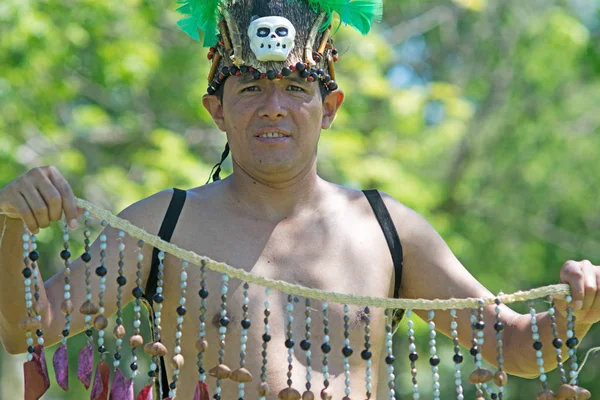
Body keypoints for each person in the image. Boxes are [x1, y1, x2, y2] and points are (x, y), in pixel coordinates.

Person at [1, 1, 599, 399]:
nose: (274, 108)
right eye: (252, 88)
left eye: (295, 88)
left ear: (329, 109)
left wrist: (578, 312)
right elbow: (25, 328)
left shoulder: (389, 229)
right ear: (217, 110)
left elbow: (515, 347)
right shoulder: (163, 224)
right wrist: (11, 224)